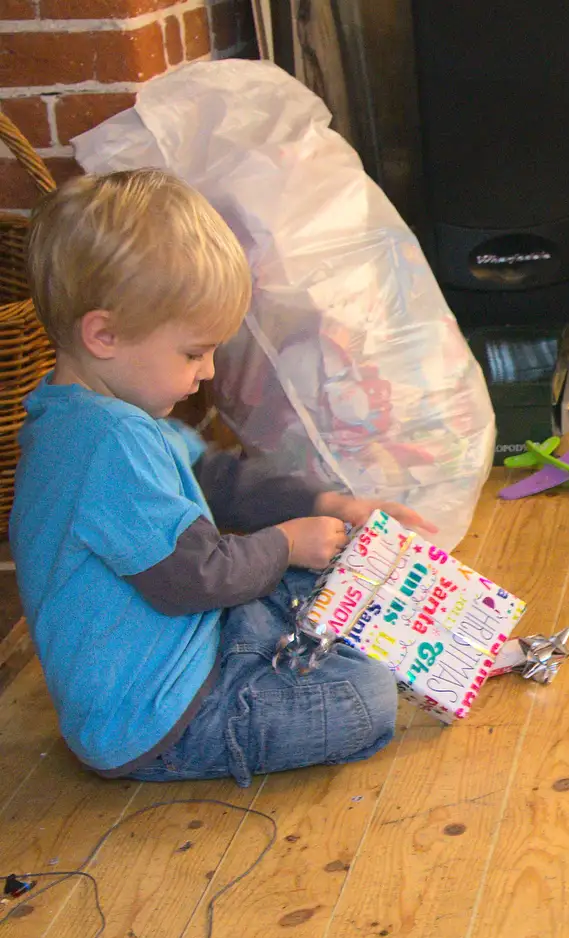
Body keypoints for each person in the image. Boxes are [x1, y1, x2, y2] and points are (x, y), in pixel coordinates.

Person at [12, 168, 436, 787]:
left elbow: (215, 477)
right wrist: (289, 541)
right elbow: (197, 577)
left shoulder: (101, 411)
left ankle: (309, 636)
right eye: (193, 353)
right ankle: (313, 652)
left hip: (188, 643)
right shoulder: (106, 443)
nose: (207, 372)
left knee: (321, 571)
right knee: (364, 700)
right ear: (103, 334)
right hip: (161, 720)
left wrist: (333, 503)